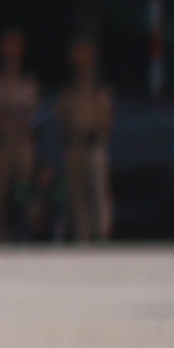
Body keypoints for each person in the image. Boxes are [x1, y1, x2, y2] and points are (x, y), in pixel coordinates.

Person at [0, 28, 47, 242]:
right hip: (1, 146)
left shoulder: (28, 84)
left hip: (23, 146)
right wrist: (12, 116)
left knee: (23, 191)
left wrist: (13, 117)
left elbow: (31, 117)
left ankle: (25, 232)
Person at [56, 37, 118, 244]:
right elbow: (62, 118)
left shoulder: (99, 89)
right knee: (77, 195)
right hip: (74, 146)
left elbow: (106, 118)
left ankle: (101, 233)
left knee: (97, 192)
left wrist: (97, 132)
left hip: (93, 146)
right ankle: (83, 237)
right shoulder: (69, 91)